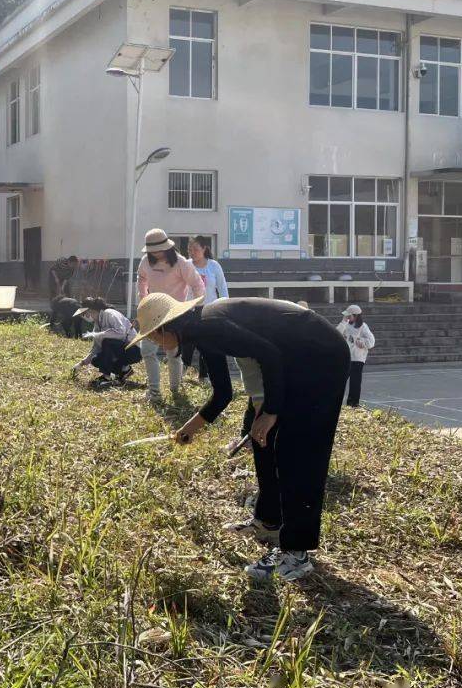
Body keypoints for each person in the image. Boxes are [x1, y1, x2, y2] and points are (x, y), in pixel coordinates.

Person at [130, 293, 350, 581]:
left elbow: (268, 354)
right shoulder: (202, 330)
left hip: (320, 356)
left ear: (165, 327)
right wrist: (188, 430)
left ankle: (296, 552)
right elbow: (223, 392)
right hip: (293, 361)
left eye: (152, 336)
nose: (155, 343)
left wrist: (271, 411)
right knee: (262, 439)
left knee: (297, 451)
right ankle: (268, 522)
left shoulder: (211, 325)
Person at [136, 229, 206, 400]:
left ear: (166, 248)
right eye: (151, 251)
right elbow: (141, 280)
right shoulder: (146, 261)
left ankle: (175, 389)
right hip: (153, 311)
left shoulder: (181, 263)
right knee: (147, 350)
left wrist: (197, 308)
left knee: (173, 353)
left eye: (157, 250)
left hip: (175, 313)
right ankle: (154, 392)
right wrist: (143, 301)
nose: (154, 254)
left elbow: (198, 285)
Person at [71, 297, 141, 385]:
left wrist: (102, 334)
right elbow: (96, 348)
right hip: (121, 350)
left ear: (90, 311)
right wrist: (81, 363)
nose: (84, 317)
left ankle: (106, 377)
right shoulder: (97, 325)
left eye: (84, 314)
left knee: (107, 342)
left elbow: (121, 333)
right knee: (96, 359)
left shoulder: (109, 313)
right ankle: (125, 370)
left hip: (133, 350)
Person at [337, 304, 375, 407]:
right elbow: (336, 334)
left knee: (355, 382)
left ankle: (353, 403)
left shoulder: (363, 326)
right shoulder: (345, 325)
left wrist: (363, 342)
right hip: (346, 357)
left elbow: (371, 341)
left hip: (358, 359)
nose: (348, 317)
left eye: (350, 316)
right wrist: (343, 321)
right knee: (339, 380)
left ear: (356, 316)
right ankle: (336, 402)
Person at [188, 236, 229, 301]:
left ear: (204, 249)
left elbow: (222, 288)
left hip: (210, 308)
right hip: (190, 309)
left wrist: (226, 306)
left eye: (196, 249)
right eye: (190, 250)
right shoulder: (186, 266)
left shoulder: (214, 265)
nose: (192, 253)